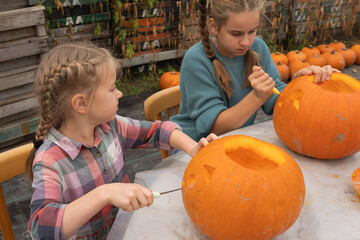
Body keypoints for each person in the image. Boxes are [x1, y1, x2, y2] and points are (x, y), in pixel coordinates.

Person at [25, 43, 217, 240]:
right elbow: (41, 228)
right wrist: (104, 194)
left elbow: (157, 131)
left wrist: (193, 148)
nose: (120, 94)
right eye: (112, 88)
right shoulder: (49, 161)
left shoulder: (109, 126)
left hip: (127, 230)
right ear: (81, 103)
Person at [170, 0, 340, 142]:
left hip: (235, 140)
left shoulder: (258, 49)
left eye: (252, 31)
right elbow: (215, 127)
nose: (246, 42)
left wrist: (301, 83)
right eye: (236, 34)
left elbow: (276, 102)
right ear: (213, 26)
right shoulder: (197, 60)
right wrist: (257, 96)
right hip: (192, 148)